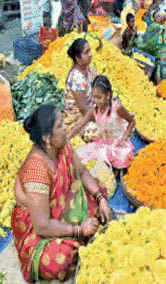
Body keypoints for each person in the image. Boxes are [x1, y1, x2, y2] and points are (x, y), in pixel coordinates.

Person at [12, 104, 113, 283]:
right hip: (39, 222)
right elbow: (42, 225)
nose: (66, 127)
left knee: (101, 209)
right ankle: (81, 236)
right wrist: (79, 229)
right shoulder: (37, 170)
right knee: (58, 261)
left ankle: (84, 231)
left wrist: (101, 198)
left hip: (62, 204)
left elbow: (81, 172)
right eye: (60, 125)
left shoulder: (62, 145)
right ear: (47, 138)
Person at [68, 75, 135, 173]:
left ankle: (111, 165)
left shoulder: (118, 107)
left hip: (118, 144)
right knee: (79, 154)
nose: (95, 101)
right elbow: (79, 126)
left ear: (108, 95)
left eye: (99, 97)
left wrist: (123, 139)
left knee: (122, 156)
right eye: (93, 97)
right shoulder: (94, 111)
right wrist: (67, 137)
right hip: (103, 143)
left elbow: (132, 122)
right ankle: (109, 165)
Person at [64, 38, 102, 142]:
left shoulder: (90, 70)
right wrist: (102, 119)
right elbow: (84, 110)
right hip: (78, 121)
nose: (90, 54)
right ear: (78, 58)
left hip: (91, 111)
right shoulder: (77, 78)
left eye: (90, 50)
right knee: (98, 132)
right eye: (86, 52)